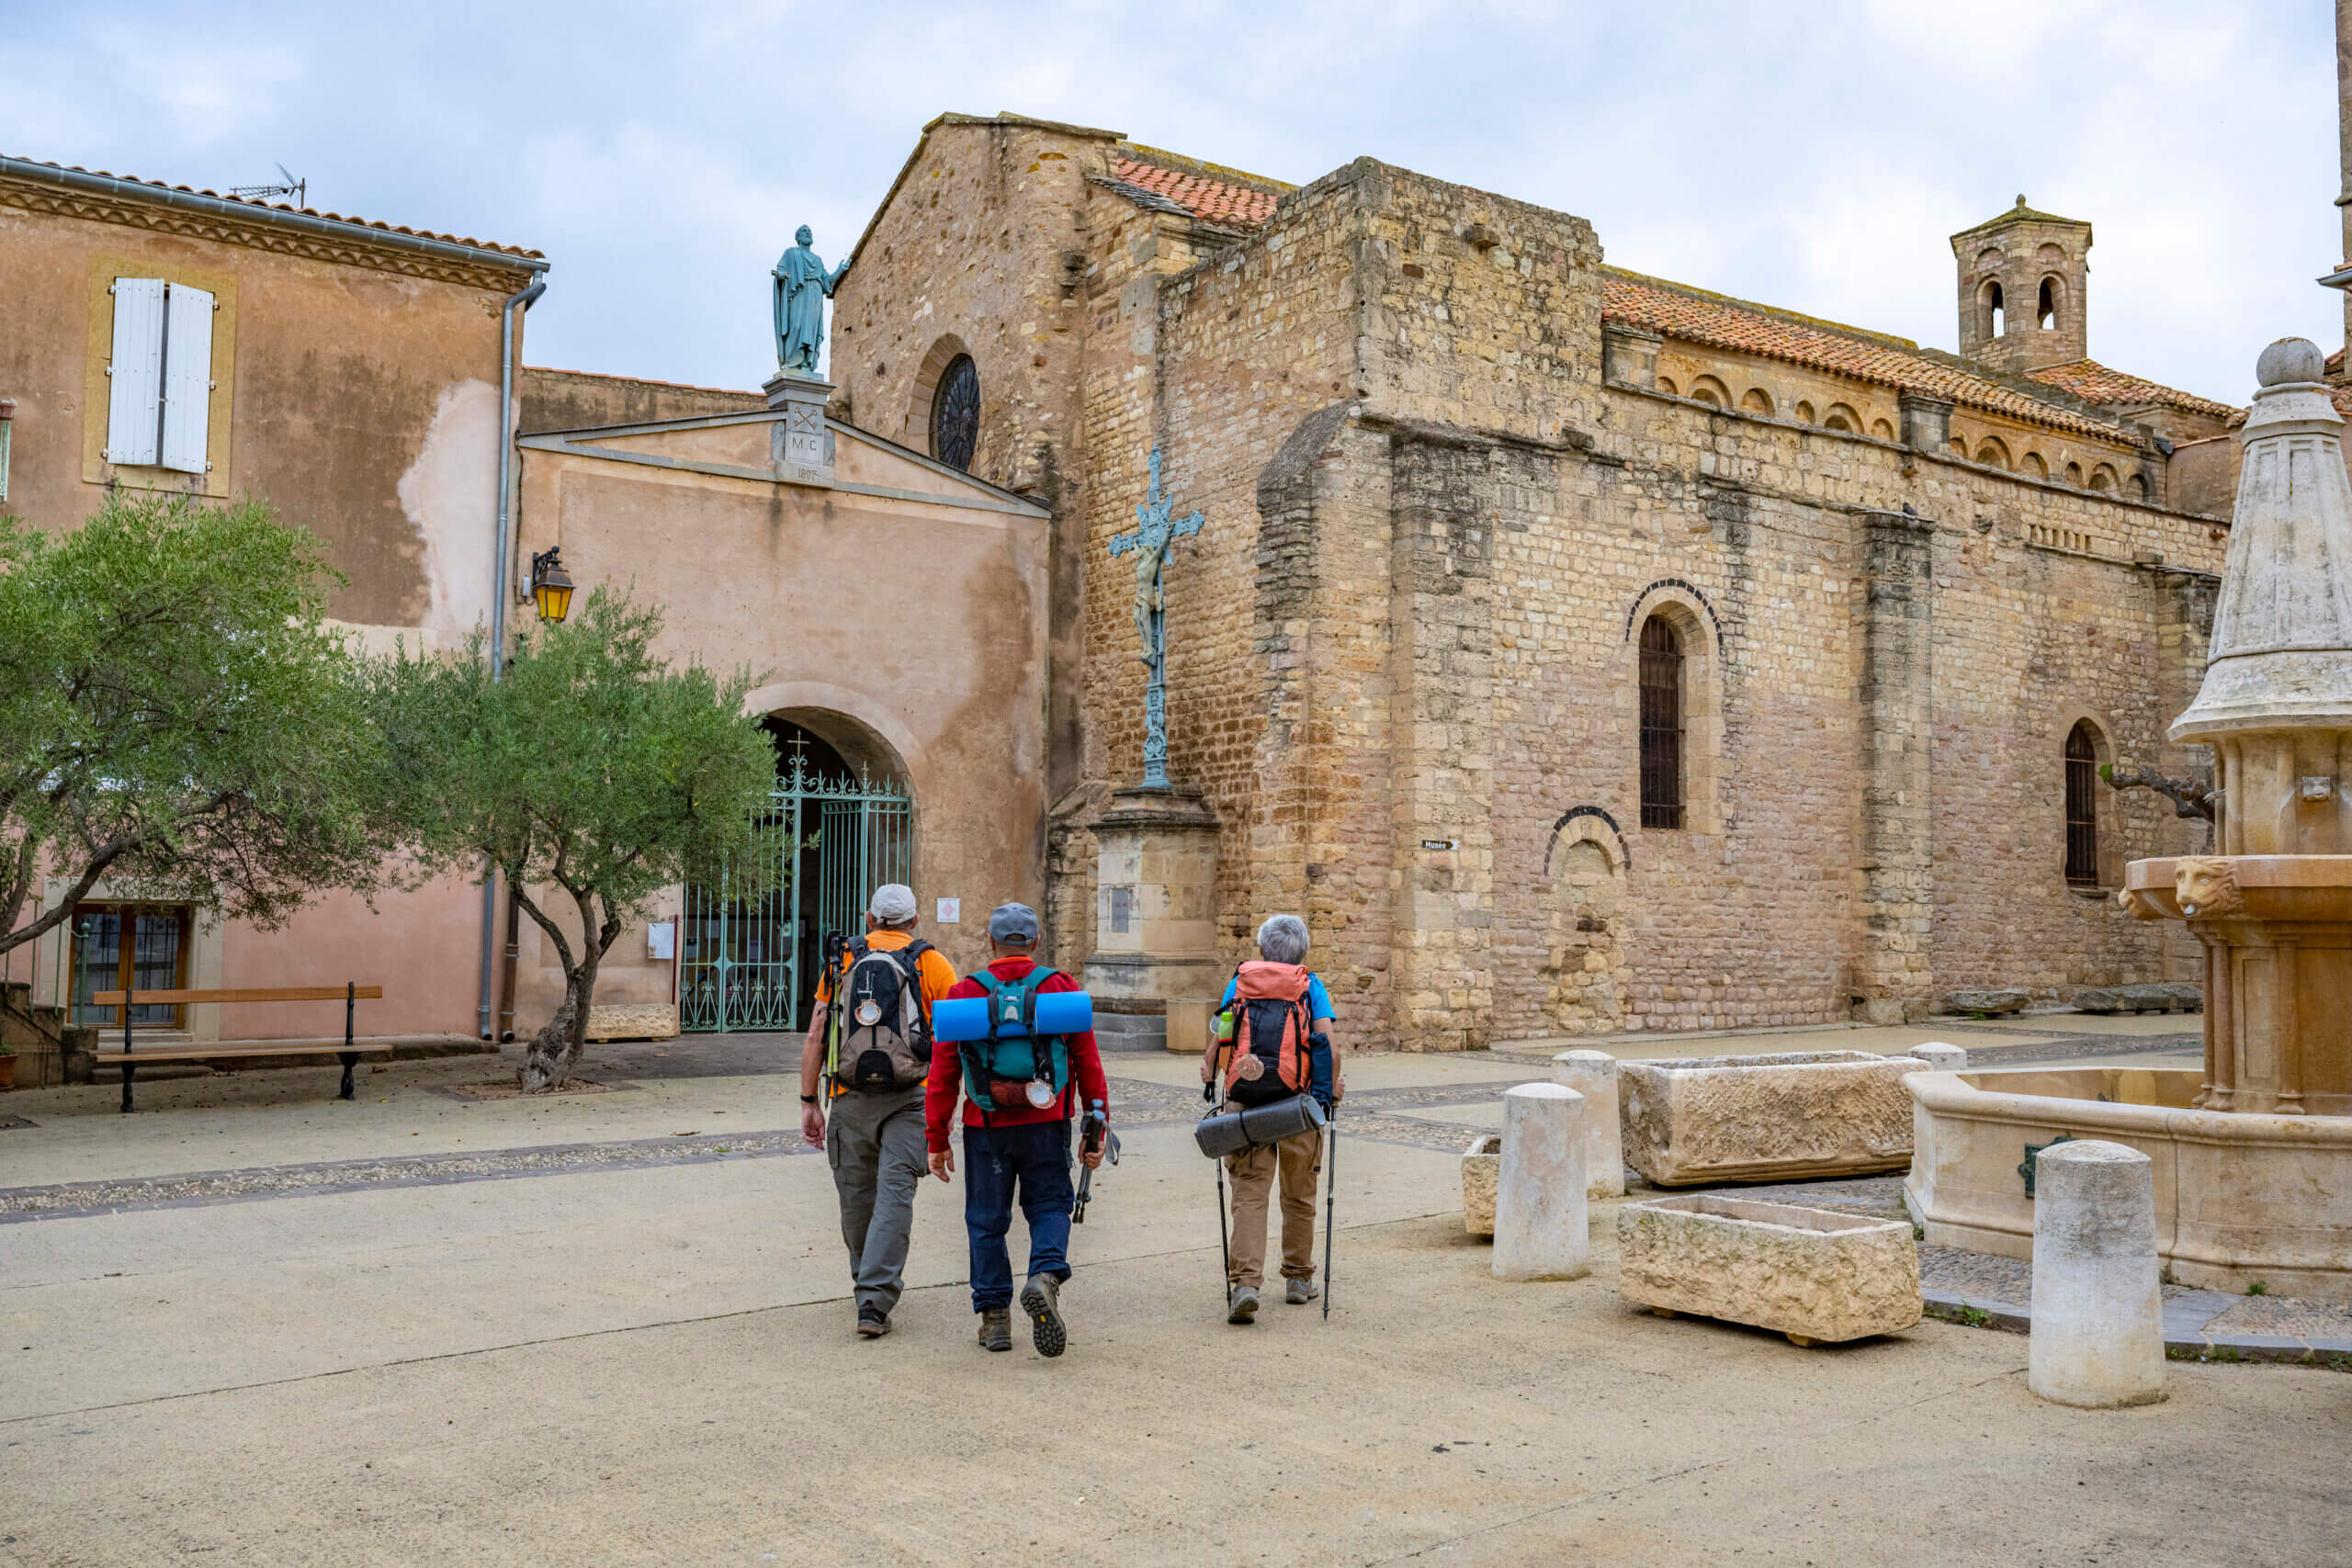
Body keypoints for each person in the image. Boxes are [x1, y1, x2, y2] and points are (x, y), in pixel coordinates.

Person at [926, 902, 1108, 1358]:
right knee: (1049, 1205)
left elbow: (944, 1071)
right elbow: (1087, 1059)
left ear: (990, 942)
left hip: (985, 1125)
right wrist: (1097, 1122)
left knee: (986, 1221)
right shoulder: (1059, 987)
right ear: (1036, 942)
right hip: (1047, 1123)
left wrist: (936, 1138)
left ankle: (995, 1320)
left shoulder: (965, 991)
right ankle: (1045, 1275)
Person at [799, 884, 958, 1339]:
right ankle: (873, 1300)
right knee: (894, 1197)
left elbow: (816, 1035)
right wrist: (945, 1115)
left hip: (848, 1095)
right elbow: (952, 1044)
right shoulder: (932, 964)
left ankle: (865, 1288)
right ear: (913, 922)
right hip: (912, 1097)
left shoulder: (842, 962)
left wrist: (810, 1101)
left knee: (856, 1199)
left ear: (870, 919)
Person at [1204, 913, 1343, 1325]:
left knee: (1249, 1192)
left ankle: (1245, 1284)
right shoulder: (1310, 985)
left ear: (1263, 949)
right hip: (1298, 1104)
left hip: (1246, 1103)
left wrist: (1213, 1075)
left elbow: (1219, 1040)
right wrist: (1331, 1088)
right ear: (1301, 951)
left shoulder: (1241, 982)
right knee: (1299, 1193)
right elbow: (1329, 1048)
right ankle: (1299, 1280)